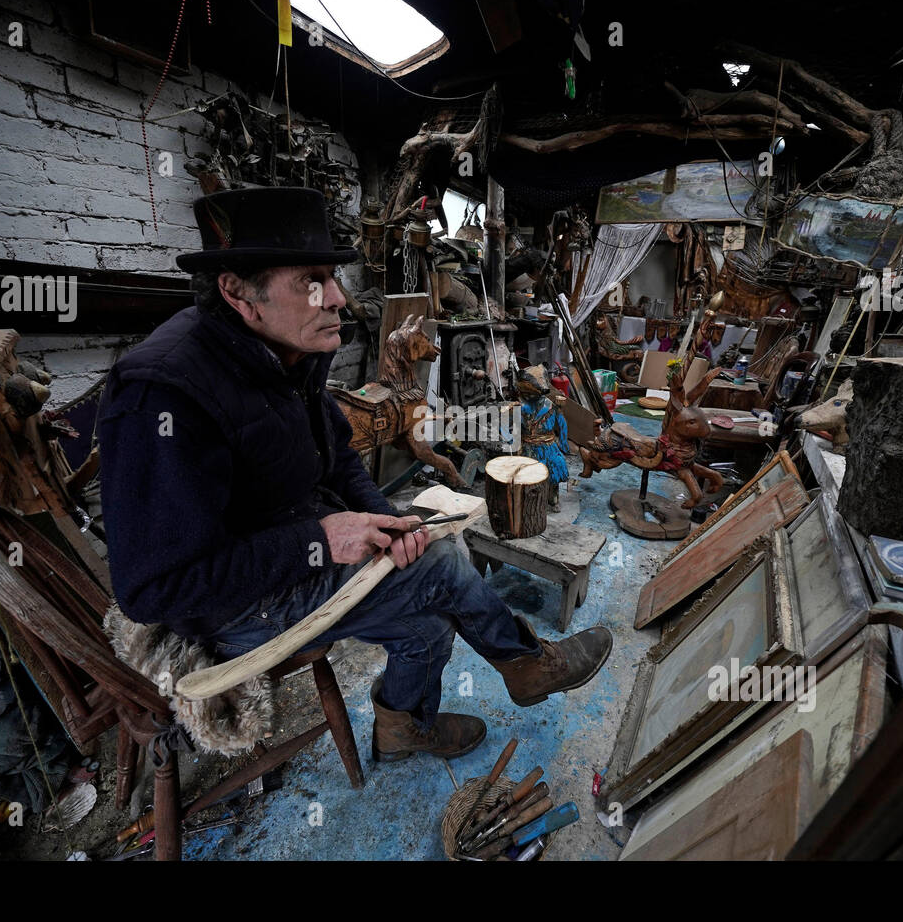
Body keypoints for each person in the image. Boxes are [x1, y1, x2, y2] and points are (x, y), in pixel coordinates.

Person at [97, 187, 612, 761]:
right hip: (230, 608)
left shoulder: (288, 350)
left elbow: (338, 457)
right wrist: (319, 542)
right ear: (239, 294)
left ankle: (401, 728)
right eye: (312, 282)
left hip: (292, 537)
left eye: (333, 278)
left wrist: (386, 517)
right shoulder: (163, 396)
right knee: (442, 565)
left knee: (427, 598)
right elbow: (152, 590)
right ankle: (525, 664)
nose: (338, 298)